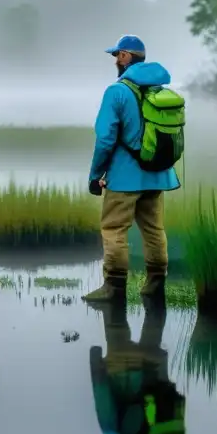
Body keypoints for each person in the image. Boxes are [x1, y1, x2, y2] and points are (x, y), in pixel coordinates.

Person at [83, 35, 181, 305]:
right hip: (158, 174)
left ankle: (113, 288)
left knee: (114, 229)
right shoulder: (160, 91)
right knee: (154, 230)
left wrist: (95, 176)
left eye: (117, 55)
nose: (116, 60)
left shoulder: (117, 91)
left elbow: (105, 139)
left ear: (126, 56)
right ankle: (155, 284)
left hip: (125, 178)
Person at [89, 296, 186, 434]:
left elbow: (174, 401)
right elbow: (103, 400)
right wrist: (96, 363)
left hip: (153, 366)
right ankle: (123, 277)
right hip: (122, 368)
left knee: (154, 319)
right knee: (115, 317)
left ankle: (155, 282)